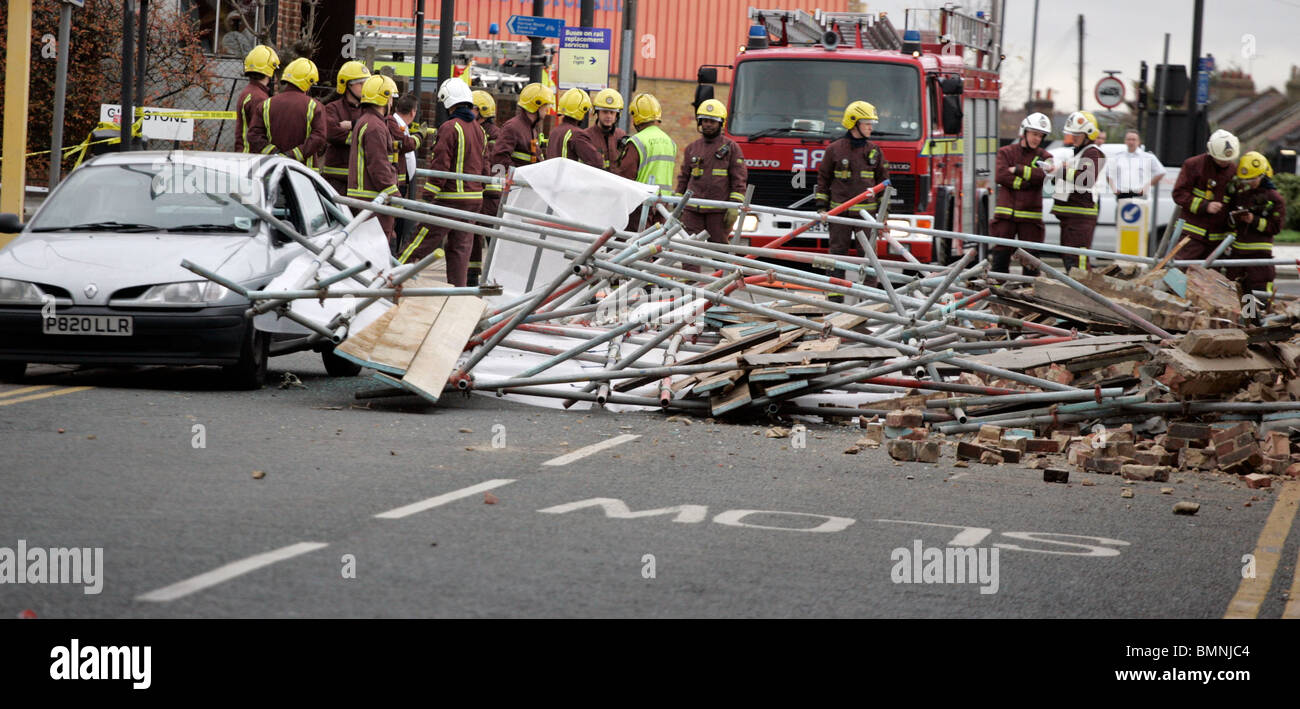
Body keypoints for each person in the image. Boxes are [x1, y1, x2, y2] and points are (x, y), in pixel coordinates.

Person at [405, 79, 486, 286]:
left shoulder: (450, 127)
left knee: (421, 240)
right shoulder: (479, 129)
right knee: (460, 251)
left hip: (450, 199)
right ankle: (456, 293)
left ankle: (394, 274)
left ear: (449, 102)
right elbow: (483, 164)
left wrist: (428, 197)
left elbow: (440, 164)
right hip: (473, 200)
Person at [815, 100, 890, 289]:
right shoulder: (834, 150)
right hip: (839, 214)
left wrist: (884, 217)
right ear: (854, 123)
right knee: (837, 256)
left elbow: (884, 185)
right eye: (867, 124)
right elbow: (823, 180)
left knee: (869, 258)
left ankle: (869, 299)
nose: (871, 128)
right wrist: (822, 209)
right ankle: (835, 297)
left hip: (866, 218)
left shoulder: (874, 151)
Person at [675, 98, 747, 251]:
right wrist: (677, 203)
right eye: (704, 120)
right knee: (689, 251)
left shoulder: (731, 148)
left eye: (712, 121)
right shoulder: (691, 148)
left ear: (720, 123)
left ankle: (724, 276)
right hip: (692, 211)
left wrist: (733, 207)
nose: (707, 124)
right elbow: (683, 178)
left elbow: (739, 181)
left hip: (718, 212)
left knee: (720, 252)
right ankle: (690, 276)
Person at [991, 113, 1054, 277]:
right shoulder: (1006, 152)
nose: (1037, 139)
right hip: (1005, 217)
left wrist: (1018, 170)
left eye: (1041, 136)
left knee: (1031, 261)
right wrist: (1024, 183)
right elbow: (1000, 176)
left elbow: (1043, 176)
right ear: (1024, 132)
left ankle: (1031, 295)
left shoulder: (1045, 157)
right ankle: (998, 294)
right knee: (1000, 258)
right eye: (1034, 134)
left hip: (1030, 219)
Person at [1171, 129, 1241, 261]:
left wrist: (1231, 234)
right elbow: (1179, 194)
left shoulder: (1234, 172)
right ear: (1211, 152)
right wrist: (1205, 206)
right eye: (1221, 160)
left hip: (1218, 241)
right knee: (1179, 273)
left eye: (1228, 160)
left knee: (1211, 279)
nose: (1225, 163)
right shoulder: (1193, 165)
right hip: (1191, 237)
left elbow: (1234, 204)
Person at [346, 75, 399, 247]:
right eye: (390, 97)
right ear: (384, 98)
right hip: (373, 201)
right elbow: (379, 166)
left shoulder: (366, 121)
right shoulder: (375, 126)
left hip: (365, 200)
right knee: (376, 253)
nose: (392, 102)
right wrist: (394, 194)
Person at [1051, 110, 1106, 271]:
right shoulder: (1078, 154)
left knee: (1078, 262)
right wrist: (1054, 173)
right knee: (1069, 259)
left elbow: (1086, 179)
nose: (1073, 138)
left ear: (1088, 134)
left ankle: (1083, 294)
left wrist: (1059, 171)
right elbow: (1067, 181)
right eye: (1071, 134)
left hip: (1080, 217)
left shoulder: (1092, 153)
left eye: (1077, 134)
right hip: (1070, 216)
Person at [247, 57, 326, 169]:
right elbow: (319, 139)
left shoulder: (266, 105)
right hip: (304, 173)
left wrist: (275, 154)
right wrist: (291, 156)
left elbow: (254, 136)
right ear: (309, 81)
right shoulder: (315, 107)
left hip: (271, 169)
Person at [1225, 151, 1285, 296]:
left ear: (1262, 175)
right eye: (1246, 180)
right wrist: (1234, 218)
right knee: (1237, 297)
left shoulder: (1274, 198)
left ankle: (1256, 318)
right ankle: (1244, 318)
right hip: (1238, 257)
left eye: (1252, 179)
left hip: (1259, 258)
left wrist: (1254, 220)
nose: (1249, 184)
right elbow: (1229, 221)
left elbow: (1275, 227)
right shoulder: (1241, 194)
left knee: (1258, 299)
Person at [615, 93, 677, 229]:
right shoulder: (670, 142)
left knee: (628, 245)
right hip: (663, 205)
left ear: (636, 116)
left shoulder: (637, 141)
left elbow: (626, 176)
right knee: (655, 246)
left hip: (641, 204)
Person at [319, 60, 371, 193]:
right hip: (335, 180)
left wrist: (352, 125)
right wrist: (361, 137)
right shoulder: (332, 108)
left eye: (366, 83)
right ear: (346, 85)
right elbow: (331, 133)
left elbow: (375, 131)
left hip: (360, 180)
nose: (364, 87)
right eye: (360, 83)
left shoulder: (369, 110)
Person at [469, 89, 501, 286]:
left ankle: (492, 277)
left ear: (481, 111)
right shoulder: (484, 131)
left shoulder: (491, 134)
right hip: (486, 191)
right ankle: (472, 275)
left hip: (489, 193)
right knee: (474, 236)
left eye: (472, 109)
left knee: (489, 237)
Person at [491, 82, 553, 173]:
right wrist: (518, 176)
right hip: (516, 185)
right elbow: (499, 158)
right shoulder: (513, 127)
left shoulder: (532, 128)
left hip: (525, 184)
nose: (547, 109)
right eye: (545, 105)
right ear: (536, 105)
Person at [233, 45, 278, 154]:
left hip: (245, 154)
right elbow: (258, 135)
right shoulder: (259, 97)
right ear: (270, 70)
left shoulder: (249, 92)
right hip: (252, 157)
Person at [546, 88, 602, 167]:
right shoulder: (577, 134)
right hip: (568, 178)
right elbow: (597, 161)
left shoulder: (555, 132)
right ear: (582, 110)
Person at [1106, 129, 1167, 200]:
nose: (1131, 142)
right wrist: (1114, 188)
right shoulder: (1118, 157)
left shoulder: (1148, 157)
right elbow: (1108, 174)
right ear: (1125, 141)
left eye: (1134, 139)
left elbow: (1161, 172)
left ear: (1139, 142)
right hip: (1122, 195)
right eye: (1128, 139)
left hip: (1140, 195)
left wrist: (1147, 186)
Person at [587, 88, 627, 172]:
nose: (608, 116)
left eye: (612, 112)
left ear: (617, 115)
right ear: (597, 112)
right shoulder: (586, 136)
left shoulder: (621, 135)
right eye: (605, 112)